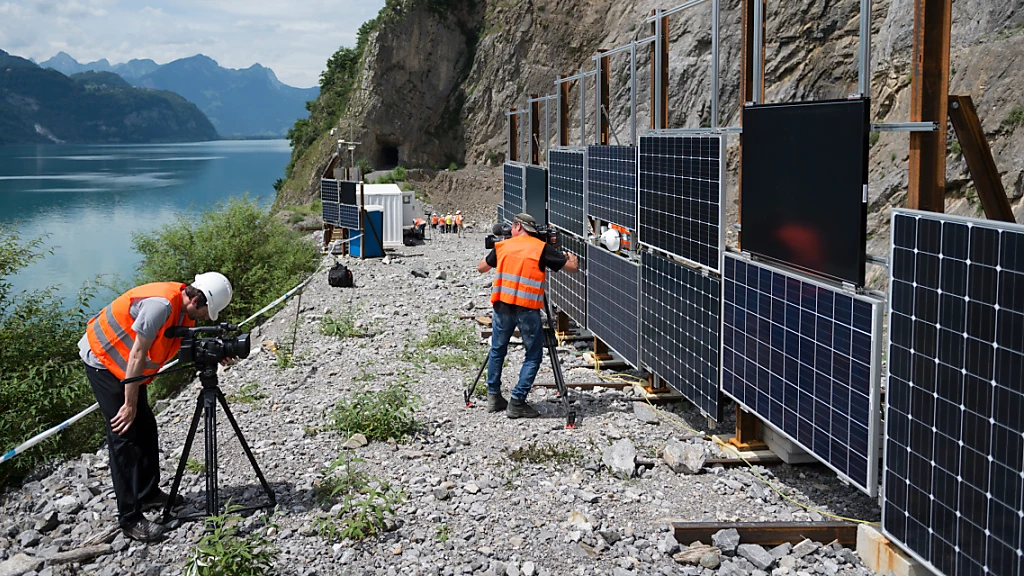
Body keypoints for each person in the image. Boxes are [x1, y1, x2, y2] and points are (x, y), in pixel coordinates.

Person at [78, 272, 233, 542]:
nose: (207, 317)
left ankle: (147, 494)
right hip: (103, 360)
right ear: (198, 300)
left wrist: (217, 351)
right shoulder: (159, 306)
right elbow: (137, 353)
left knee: (146, 427)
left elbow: (179, 338)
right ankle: (130, 518)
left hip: (127, 367)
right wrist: (129, 403)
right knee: (124, 436)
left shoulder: (184, 306)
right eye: (208, 312)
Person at [477, 213, 578, 418]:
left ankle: (493, 396)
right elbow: (572, 268)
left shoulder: (503, 247)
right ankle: (517, 401)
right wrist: (572, 258)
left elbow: (481, 268)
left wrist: (502, 252)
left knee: (497, 350)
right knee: (533, 355)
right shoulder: (541, 248)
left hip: (502, 306)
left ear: (517, 227)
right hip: (527, 308)